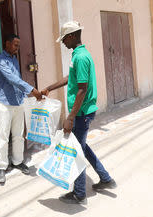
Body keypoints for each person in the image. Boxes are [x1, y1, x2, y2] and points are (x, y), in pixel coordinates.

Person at [41, 21, 116, 204]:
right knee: (81, 147)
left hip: (81, 113)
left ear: (72, 36)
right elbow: (71, 78)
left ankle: (79, 193)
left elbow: (82, 89)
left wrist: (70, 117)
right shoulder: (78, 55)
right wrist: (49, 88)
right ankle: (105, 178)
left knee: (76, 152)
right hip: (82, 112)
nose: (64, 43)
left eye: (65, 39)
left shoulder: (81, 57)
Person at [0, 34, 42, 185]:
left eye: (18, 45)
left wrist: (26, 96)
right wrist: (32, 90)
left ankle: (17, 161)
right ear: (7, 44)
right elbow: (12, 79)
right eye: (15, 45)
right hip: (4, 103)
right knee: (3, 136)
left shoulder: (15, 59)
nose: (17, 48)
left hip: (17, 102)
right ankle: (1, 167)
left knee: (18, 135)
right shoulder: (0, 60)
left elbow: (18, 81)